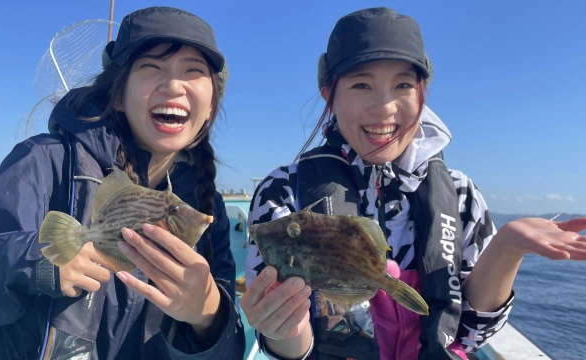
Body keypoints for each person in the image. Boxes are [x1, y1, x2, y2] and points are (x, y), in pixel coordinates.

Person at [241, 7, 586, 360]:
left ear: (422, 92)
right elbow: (287, 348)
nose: (384, 108)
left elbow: (468, 336)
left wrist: (507, 248)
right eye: (362, 84)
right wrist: (284, 328)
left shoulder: (461, 195)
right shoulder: (283, 191)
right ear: (330, 94)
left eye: (403, 85)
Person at [0, 6, 245, 360]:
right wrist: (36, 264)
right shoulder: (46, 163)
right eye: (152, 67)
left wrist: (208, 313)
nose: (174, 85)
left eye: (193, 71)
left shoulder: (208, 204)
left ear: (210, 105)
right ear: (117, 95)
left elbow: (231, 351)